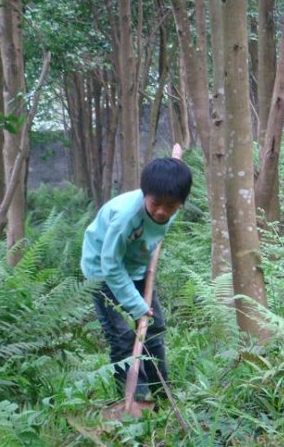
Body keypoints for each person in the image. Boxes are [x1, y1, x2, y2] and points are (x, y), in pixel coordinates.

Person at [81, 157, 192, 402]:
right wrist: (137, 306)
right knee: (122, 336)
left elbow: (153, 230)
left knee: (154, 330)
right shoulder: (124, 217)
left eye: (171, 205)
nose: (162, 212)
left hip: (137, 268)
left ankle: (163, 394)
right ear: (144, 195)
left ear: (180, 203)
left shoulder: (168, 209)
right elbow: (110, 265)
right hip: (102, 273)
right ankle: (134, 399)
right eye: (156, 204)